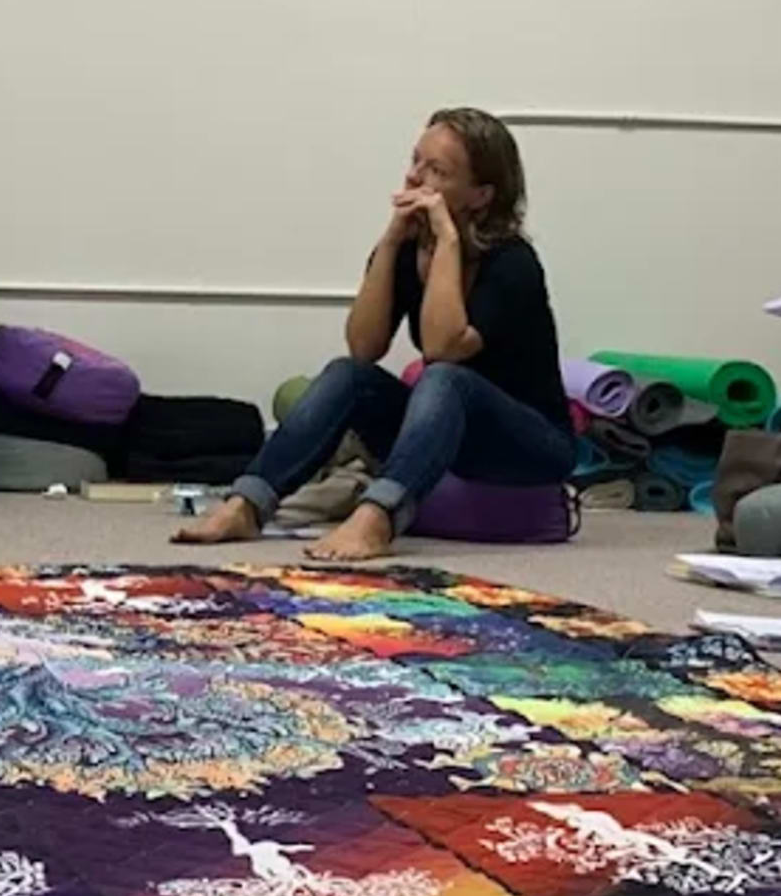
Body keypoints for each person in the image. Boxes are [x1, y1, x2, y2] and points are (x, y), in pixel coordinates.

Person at [175, 108, 573, 564]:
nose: (414, 178)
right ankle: (247, 503)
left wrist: (447, 241)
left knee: (443, 378)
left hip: (529, 444)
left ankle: (377, 518)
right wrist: (389, 243)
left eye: (437, 171)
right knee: (350, 375)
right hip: (449, 434)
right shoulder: (407, 248)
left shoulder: (513, 262)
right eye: (415, 161)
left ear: (480, 195)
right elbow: (364, 347)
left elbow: (444, 348)